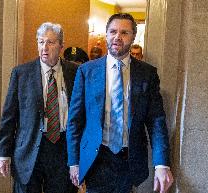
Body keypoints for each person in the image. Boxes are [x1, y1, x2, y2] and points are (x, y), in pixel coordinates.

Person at [67, 13, 174, 193]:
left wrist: (162, 164)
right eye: (113, 31)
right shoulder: (87, 71)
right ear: (107, 34)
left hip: (129, 159)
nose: (117, 36)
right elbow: (74, 120)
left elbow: (156, 121)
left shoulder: (147, 74)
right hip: (96, 158)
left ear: (133, 37)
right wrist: (73, 161)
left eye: (124, 32)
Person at [0, 22, 78, 193]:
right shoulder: (21, 73)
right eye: (41, 42)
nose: (44, 47)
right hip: (29, 149)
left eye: (50, 42)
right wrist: (3, 153)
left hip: (62, 149)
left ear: (61, 46)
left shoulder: (75, 72)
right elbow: (9, 117)